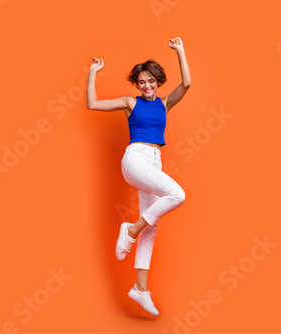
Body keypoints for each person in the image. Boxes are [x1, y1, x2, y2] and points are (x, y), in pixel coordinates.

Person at [86, 37, 191, 316]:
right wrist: (93, 73)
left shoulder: (165, 103)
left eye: (151, 82)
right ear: (137, 84)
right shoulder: (130, 103)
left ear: (158, 82)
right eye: (142, 82)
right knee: (177, 194)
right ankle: (130, 229)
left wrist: (180, 51)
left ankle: (140, 289)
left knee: (152, 227)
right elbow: (93, 104)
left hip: (155, 162)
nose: (146, 86)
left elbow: (187, 84)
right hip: (135, 159)